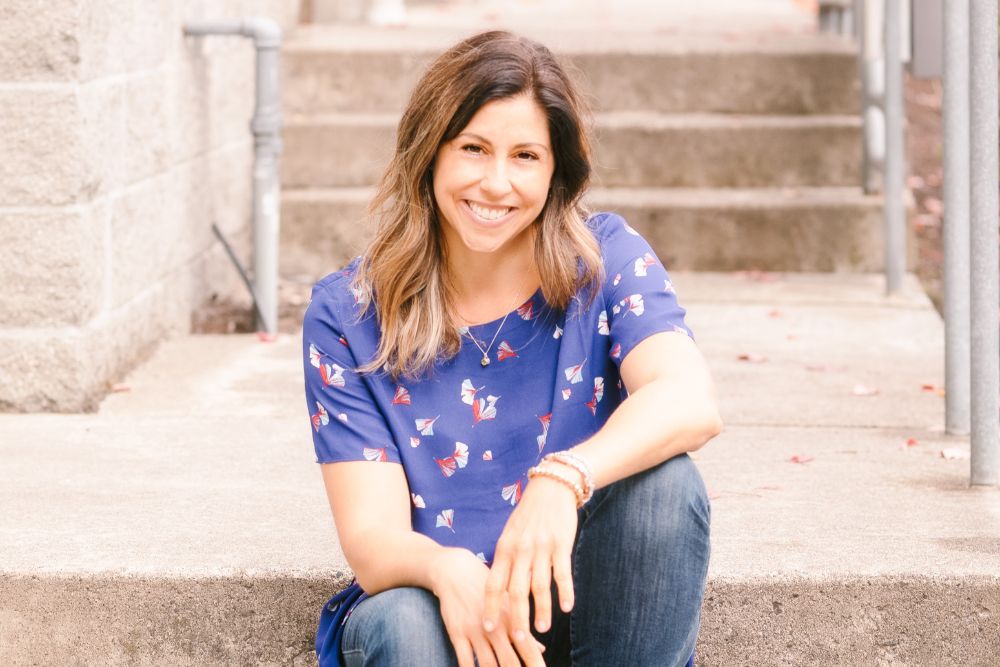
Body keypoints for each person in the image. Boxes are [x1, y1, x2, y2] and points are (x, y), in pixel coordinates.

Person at [302, 29, 722, 667]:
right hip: (439, 613)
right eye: (473, 148)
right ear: (431, 154)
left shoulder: (604, 259)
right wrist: (448, 572)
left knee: (666, 487)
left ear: (556, 171)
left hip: (585, 596)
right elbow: (372, 538)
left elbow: (688, 400)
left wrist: (560, 481)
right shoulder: (352, 313)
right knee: (403, 618)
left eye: (525, 156)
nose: (496, 183)